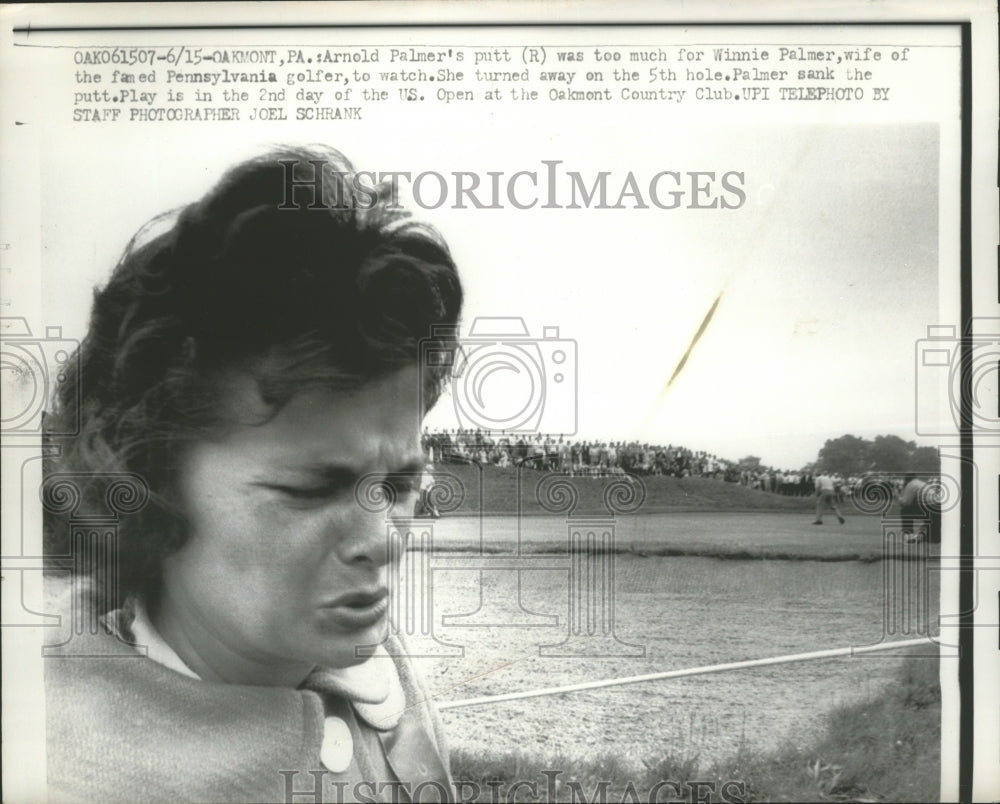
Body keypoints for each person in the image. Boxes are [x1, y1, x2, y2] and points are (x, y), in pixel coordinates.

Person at [42, 146, 463, 803]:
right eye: (312, 488)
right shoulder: (70, 776)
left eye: (402, 484)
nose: (382, 539)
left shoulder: (365, 662)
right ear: (147, 483)